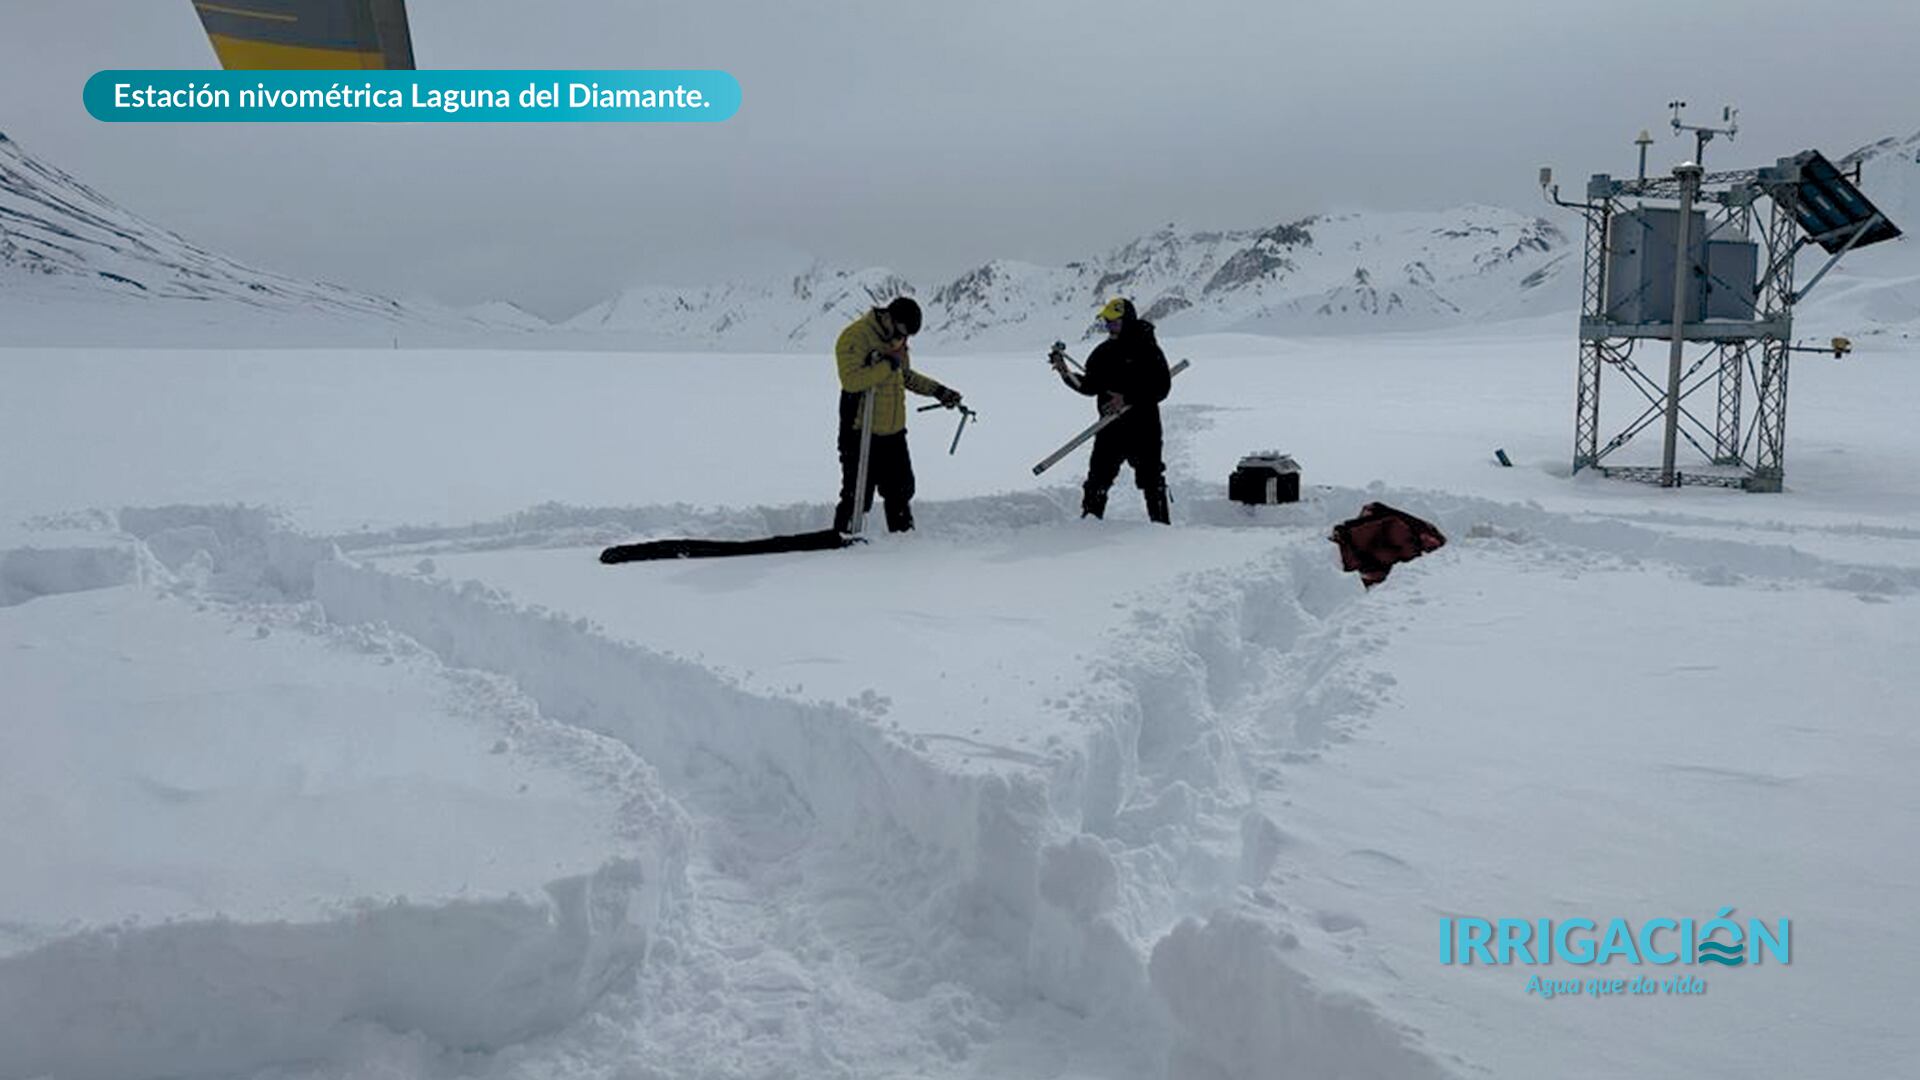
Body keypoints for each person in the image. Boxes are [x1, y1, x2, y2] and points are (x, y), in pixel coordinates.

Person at [832, 297, 962, 534]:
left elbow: (905, 376)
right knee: (856, 494)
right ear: (888, 317)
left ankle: (903, 543)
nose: (903, 340)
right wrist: (886, 366)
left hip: (893, 433)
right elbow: (851, 381)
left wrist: (938, 391)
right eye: (902, 332)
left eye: (908, 336)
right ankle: (844, 541)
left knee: (900, 491)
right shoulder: (854, 337)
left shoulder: (898, 341)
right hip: (860, 431)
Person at [1050, 297, 1172, 523]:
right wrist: (1065, 373)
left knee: (1151, 479)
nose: (1110, 327)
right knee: (1097, 479)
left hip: (1144, 427)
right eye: (1107, 323)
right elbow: (1090, 386)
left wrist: (1127, 398)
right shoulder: (1103, 352)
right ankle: (1089, 526)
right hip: (1110, 427)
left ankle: (1161, 530)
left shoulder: (1147, 348)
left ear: (1127, 321)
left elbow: (1162, 387)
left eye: (1114, 322)